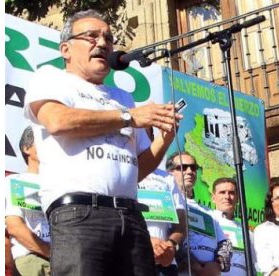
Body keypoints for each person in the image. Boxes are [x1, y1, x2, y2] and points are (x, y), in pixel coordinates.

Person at [23, 9, 182, 276]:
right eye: (91, 36)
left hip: (131, 217)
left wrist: (164, 139)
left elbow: (138, 170)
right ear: (66, 49)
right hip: (80, 214)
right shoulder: (50, 78)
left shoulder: (123, 97)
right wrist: (129, 117)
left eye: (108, 38)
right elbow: (59, 121)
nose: (103, 44)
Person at [167, 152, 233, 276]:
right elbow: (166, 237)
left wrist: (217, 265)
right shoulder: (167, 202)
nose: (189, 171)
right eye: (183, 167)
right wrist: (196, 267)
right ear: (170, 172)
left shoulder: (209, 212)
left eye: (193, 167)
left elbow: (225, 244)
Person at [138, 128, 187, 276]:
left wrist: (171, 245)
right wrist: (146, 240)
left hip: (165, 261)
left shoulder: (167, 178)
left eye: (145, 132)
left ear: (152, 137)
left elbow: (181, 223)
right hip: (132, 256)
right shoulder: (121, 170)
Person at [5, 126, 51, 276]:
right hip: (33, 260)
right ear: (26, 148)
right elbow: (15, 226)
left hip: (67, 261)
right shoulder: (15, 181)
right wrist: (51, 252)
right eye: (43, 140)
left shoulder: (63, 184)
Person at [210, 177, 256, 276]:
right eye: (222, 192)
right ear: (213, 198)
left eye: (231, 193)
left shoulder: (247, 232)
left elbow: (253, 266)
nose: (227, 196)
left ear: (237, 198)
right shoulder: (208, 220)